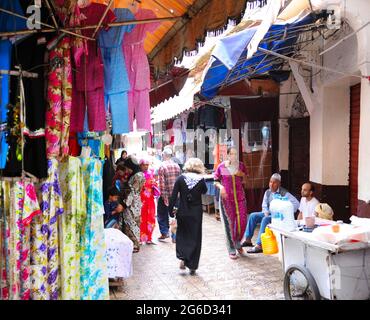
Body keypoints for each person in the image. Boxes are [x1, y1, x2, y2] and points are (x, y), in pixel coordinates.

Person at [168, 158, 208, 275]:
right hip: (196, 213)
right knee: (195, 236)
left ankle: (183, 258)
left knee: (183, 234)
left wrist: (170, 211)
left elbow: (173, 196)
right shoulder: (201, 180)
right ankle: (192, 265)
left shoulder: (181, 178)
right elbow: (204, 191)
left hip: (183, 212)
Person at [242, 173, 299, 253]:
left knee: (265, 219)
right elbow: (264, 205)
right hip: (268, 214)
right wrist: (265, 212)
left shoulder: (284, 193)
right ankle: (248, 240)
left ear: (279, 183)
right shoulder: (267, 192)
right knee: (253, 215)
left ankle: (259, 245)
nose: (271, 184)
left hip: (278, 216)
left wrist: (285, 211)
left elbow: (296, 204)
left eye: (274, 182)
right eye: (270, 182)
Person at [214, 147, 248, 260]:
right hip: (226, 199)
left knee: (242, 222)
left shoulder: (241, 165)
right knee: (230, 224)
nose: (234, 156)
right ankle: (232, 248)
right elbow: (215, 180)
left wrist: (240, 174)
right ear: (228, 155)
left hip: (240, 197)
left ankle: (237, 242)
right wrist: (221, 187)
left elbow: (245, 178)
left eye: (236, 154)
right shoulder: (222, 167)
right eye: (232, 154)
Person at [119, 156, 146, 253]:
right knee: (132, 223)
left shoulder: (137, 176)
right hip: (134, 203)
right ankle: (133, 244)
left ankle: (134, 245)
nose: (127, 171)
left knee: (131, 224)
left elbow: (132, 192)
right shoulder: (138, 174)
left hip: (132, 204)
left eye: (127, 168)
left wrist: (124, 204)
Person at [157, 147, 181, 241]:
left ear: (164, 155)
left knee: (162, 213)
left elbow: (162, 184)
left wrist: (164, 197)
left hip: (166, 195)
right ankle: (175, 236)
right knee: (175, 214)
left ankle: (164, 232)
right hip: (176, 195)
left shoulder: (162, 166)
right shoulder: (177, 166)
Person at [139, 158, 159, 245]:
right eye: (144, 165)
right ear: (140, 165)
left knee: (151, 218)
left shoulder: (151, 173)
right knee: (141, 218)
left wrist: (154, 185)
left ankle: (149, 238)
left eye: (147, 165)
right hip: (141, 200)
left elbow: (154, 184)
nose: (146, 166)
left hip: (150, 200)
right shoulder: (138, 175)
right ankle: (141, 238)